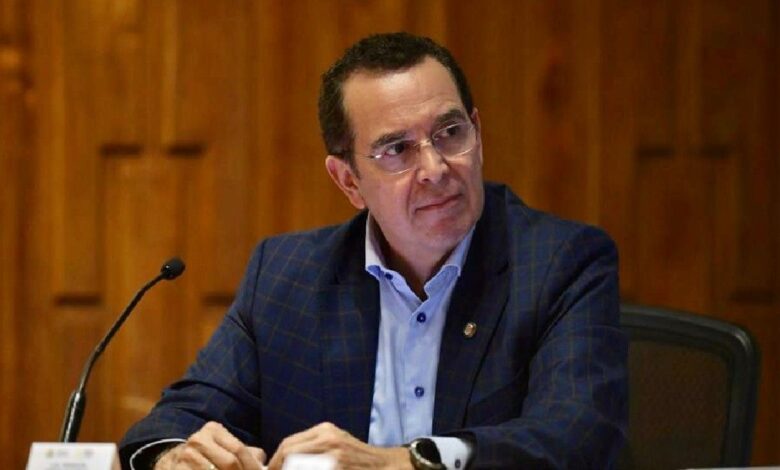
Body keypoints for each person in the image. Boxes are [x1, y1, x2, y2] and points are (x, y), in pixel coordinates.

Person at [119, 32, 628, 469]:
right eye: (397, 149)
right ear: (348, 181)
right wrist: (176, 457)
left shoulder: (560, 263)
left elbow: (579, 436)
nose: (435, 168)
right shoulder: (287, 276)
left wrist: (402, 462)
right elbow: (172, 422)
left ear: (478, 132)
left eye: (450, 133)